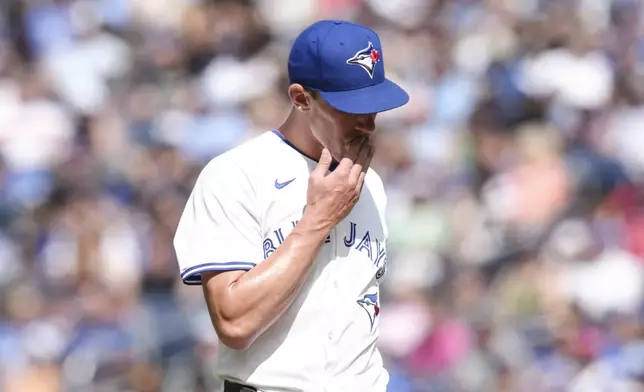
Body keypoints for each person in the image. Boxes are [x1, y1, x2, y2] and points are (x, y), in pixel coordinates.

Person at [173, 19, 409, 392]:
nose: (368, 123)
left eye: (374, 105)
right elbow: (234, 323)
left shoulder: (371, 184)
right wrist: (318, 219)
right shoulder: (236, 175)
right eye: (350, 106)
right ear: (301, 98)